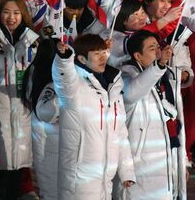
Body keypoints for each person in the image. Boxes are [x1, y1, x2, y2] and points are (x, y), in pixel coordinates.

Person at [53, 34, 136, 199]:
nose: (102, 57)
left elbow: (120, 133)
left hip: (106, 178)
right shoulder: (74, 86)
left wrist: (127, 171)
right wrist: (63, 59)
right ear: (82, 59)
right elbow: (63, 78)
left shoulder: (113, 88)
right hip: (79, 178)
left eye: (104, 52)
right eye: (96, 53)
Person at [0, 0, 39, 200]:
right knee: (0, 169)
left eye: (16, 13)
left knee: (19, 167)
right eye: (6, 12)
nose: (11, 17)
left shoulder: (32, 40)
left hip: (23, 112)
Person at [119, 30, 186, 199]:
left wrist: (182, 161)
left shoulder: (166, 77)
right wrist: (160, 66)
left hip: (166, 160)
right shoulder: (126, 75)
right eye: (151, 48)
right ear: (137, 56)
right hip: (140, 164)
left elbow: (174, 120)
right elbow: (131, 93)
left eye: (158, 47)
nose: (158, 52)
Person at [24, 39, 60, 200]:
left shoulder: (32, 70)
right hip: (51, 131)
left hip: (38, 128)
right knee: (53, 181)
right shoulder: (53, 79)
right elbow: (48, 113)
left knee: (47, 180)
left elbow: (27, 95)